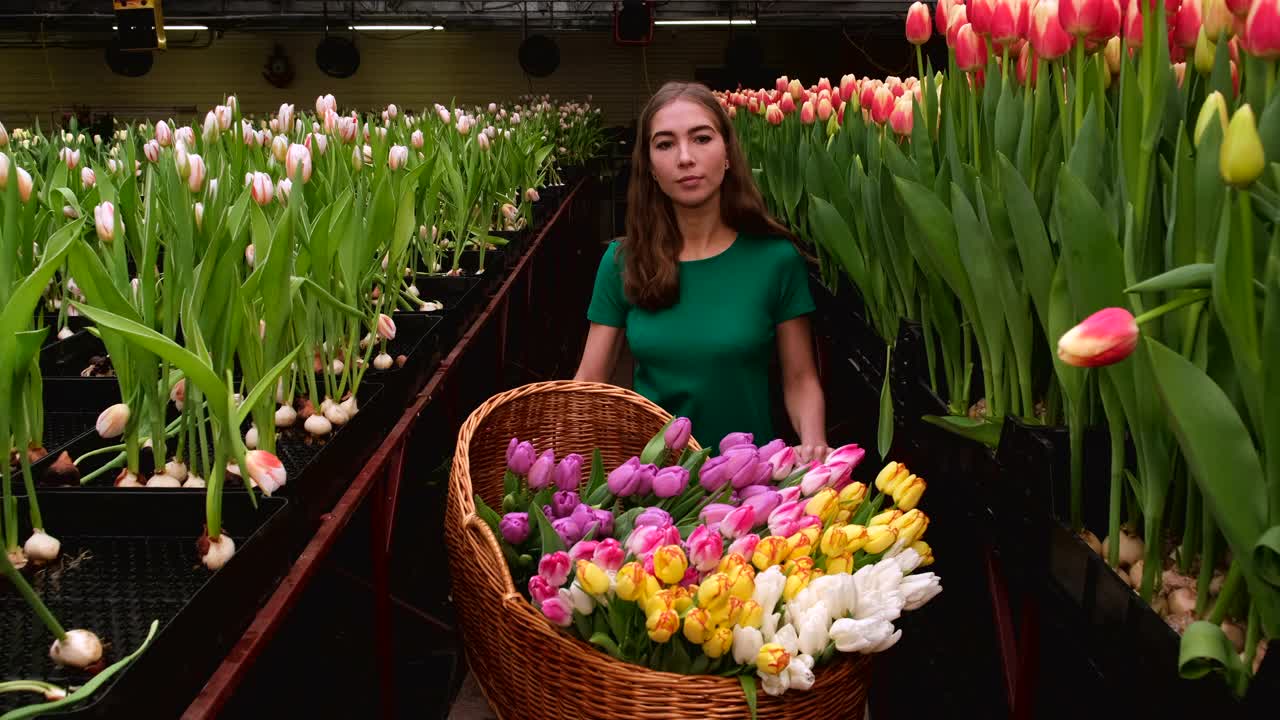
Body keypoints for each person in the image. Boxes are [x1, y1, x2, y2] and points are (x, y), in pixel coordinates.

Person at [573, 80, 829, 462]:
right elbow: (590, 382)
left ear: (728, 153)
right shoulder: (622, 262)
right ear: (651, 168)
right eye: (665, 144)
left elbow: (800, 379)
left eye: (701, 138)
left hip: (750, 483)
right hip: (654, 487)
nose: (685, 157)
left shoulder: (775, 259)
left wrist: (814, 443)